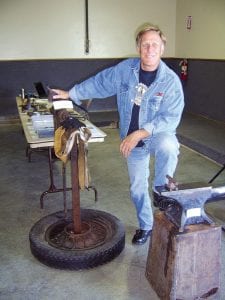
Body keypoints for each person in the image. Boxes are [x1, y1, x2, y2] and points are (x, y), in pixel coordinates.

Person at [52, 23, 184, 245]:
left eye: (155, 44)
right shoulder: (126, 70)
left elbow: (171, 118)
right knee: (136, 188)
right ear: (138, 47)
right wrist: (71, 93)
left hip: (155, 135)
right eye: (145, 44)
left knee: (169, 145)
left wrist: (141, 132)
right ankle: (146, 226)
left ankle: (161, 192)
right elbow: (100, 83)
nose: (150, 49)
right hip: (132, 139)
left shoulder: (170, 81)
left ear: (162, 48)